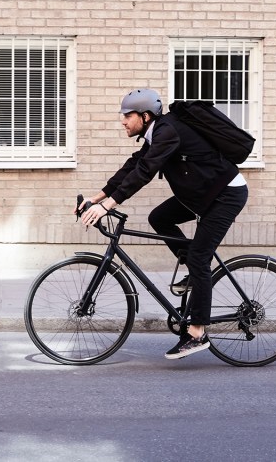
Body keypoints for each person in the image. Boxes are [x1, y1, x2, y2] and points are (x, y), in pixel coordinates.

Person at [79, 88, 248, 360]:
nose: (122, 121)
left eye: (127, 116)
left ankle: (197, 333)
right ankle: (192, 266)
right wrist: (97, 197)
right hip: (202, 193)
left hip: (226, 194)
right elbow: (134, 165)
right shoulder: (156, 133)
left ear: (145, 116)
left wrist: (108, 206)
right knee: (159, 218)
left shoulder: (168, 131)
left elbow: (145, 172)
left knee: (200, 259)